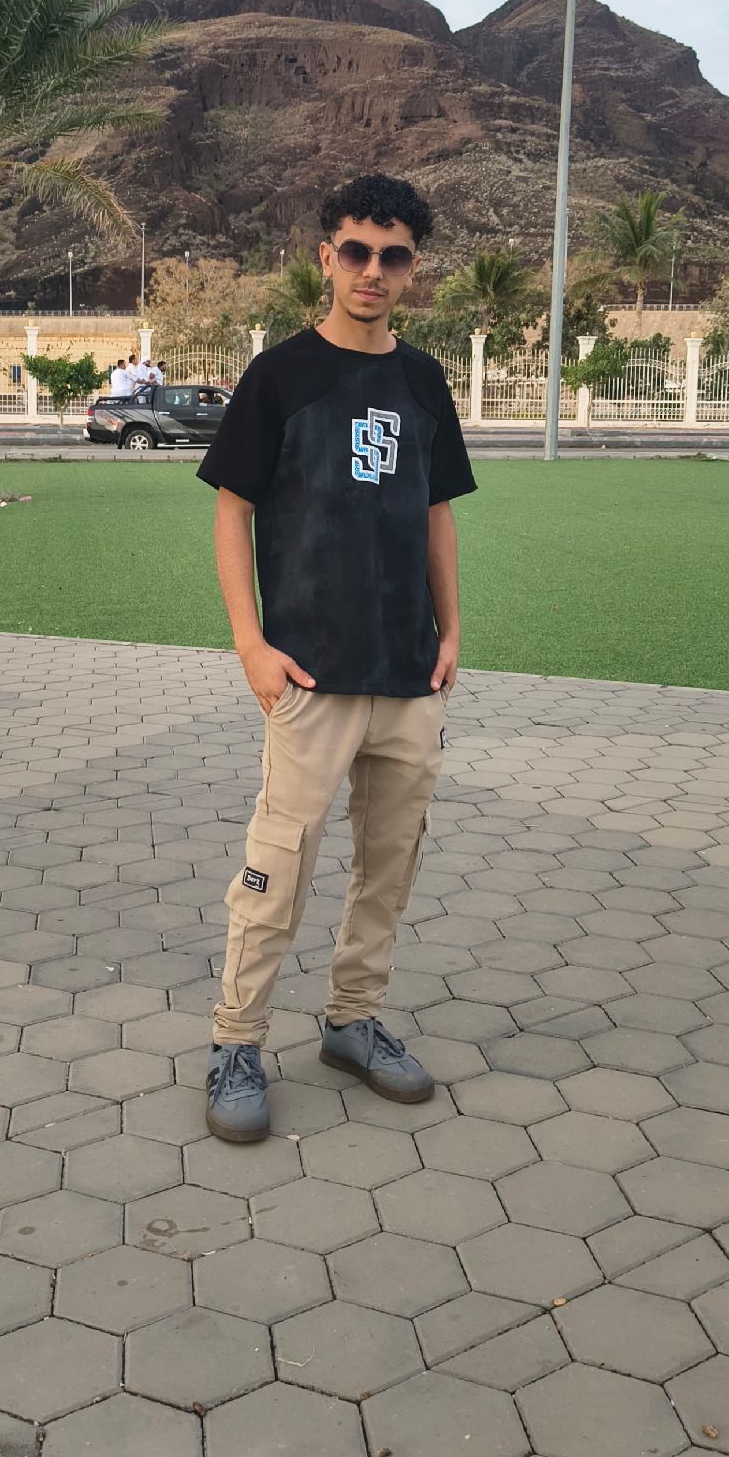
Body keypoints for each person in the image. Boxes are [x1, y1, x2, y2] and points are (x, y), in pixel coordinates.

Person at [196, 171, 476, 1143]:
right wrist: (251, 644)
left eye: (392, 256)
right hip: (308, 671)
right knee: (279, 864)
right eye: (355, 250)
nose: (372, 270)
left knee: (388, 863)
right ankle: (237, 1040)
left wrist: (450, 634)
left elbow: (436, 515)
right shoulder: (280, 375)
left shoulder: (423, 381)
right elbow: (232, 511)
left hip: (407, 674)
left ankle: (353, 1021)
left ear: (411, 268)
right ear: (326, 256)